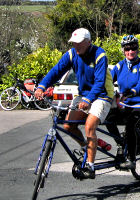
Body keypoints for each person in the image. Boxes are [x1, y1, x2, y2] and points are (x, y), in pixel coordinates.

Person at [35, 28, 114, 179]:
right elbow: (56, 71)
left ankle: (90, 166)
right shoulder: (72, 54)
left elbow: (99, 83)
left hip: (101, 96)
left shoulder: (99, 55)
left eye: (79, 43)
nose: (76, 46)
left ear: (88, 42)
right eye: (74, 43)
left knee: (89, 126)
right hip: (84, 95)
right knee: (68, 126)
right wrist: (42, 86)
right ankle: (87, 147)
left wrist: (88, 100)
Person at [106, 35, 140, 169]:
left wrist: (131, 92)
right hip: (125, 103)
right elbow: (108, 79)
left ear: (137, 49)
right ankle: (121, 144)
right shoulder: (119, 66)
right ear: (123, 50)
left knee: (131, 124)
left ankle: (131, 159)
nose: (130, 51)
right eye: (127, 49)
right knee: (108, 118)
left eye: (133, 48)